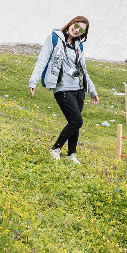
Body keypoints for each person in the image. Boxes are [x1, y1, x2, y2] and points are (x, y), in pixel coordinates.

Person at [28, 16, 99, 164]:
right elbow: (42, 60)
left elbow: (83, 69)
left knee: (75, 122)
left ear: (83, 34)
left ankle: (71, 154)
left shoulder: (79, 46)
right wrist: (33, 81)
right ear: (71, 23)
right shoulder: (54, 38)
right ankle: (56, 148)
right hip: (61, 87)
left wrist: (92, 90)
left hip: (79, 88)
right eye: (76, 26)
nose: (77, 30)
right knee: (76, 121)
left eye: (82, 30)